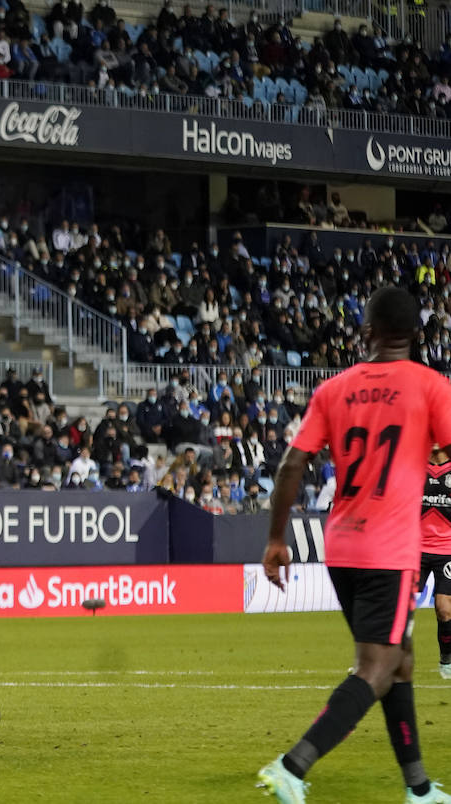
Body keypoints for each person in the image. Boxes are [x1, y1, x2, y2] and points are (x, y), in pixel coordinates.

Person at [258, 287, 451, 804]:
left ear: (366, 331)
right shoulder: (432, 387)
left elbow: (291, 464)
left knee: (401, 660)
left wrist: (277, 538)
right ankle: (292, 765)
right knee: (377, 666)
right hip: (390, 552)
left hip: (341, 547)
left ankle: (418, 786)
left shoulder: (334, 388)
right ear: (418, 335)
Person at [422, 446, 451, 679]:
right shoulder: (415, 466)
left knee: (444, 609)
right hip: (414, 549)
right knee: (396, 607)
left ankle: (446, 660)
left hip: (447, 551)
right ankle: (379, 661)